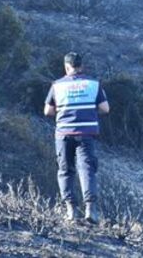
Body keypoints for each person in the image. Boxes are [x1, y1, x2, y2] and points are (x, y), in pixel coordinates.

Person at [44, 52, 110, 223]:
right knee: (87, 169)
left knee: (65, 170)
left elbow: (48, 111)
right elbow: (105, 108)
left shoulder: (57, 85)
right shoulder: (93, 84)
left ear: (67, 67)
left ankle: (71, 210)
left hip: (64, 134)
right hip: (86, 134)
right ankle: (90, 210)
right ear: (81, 66)